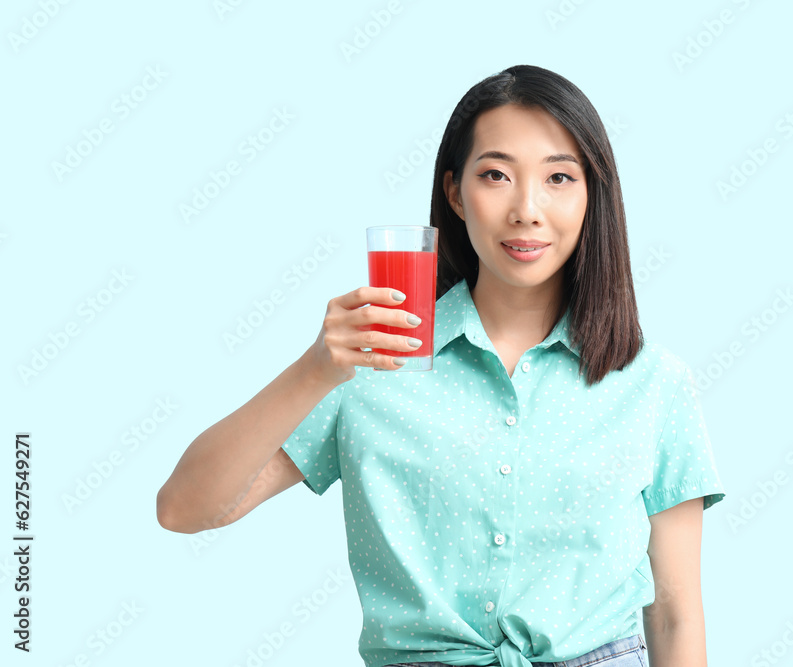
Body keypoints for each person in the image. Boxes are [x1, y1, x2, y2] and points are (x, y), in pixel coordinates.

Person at [157, 64, 726, 667]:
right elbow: (184, 509)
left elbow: (675, 613)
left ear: (593, 195)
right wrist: (313, 370)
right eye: (496, 175)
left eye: (559, 177)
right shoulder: (373, 362)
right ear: (455, 193)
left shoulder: (654, 384)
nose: (527, 209)